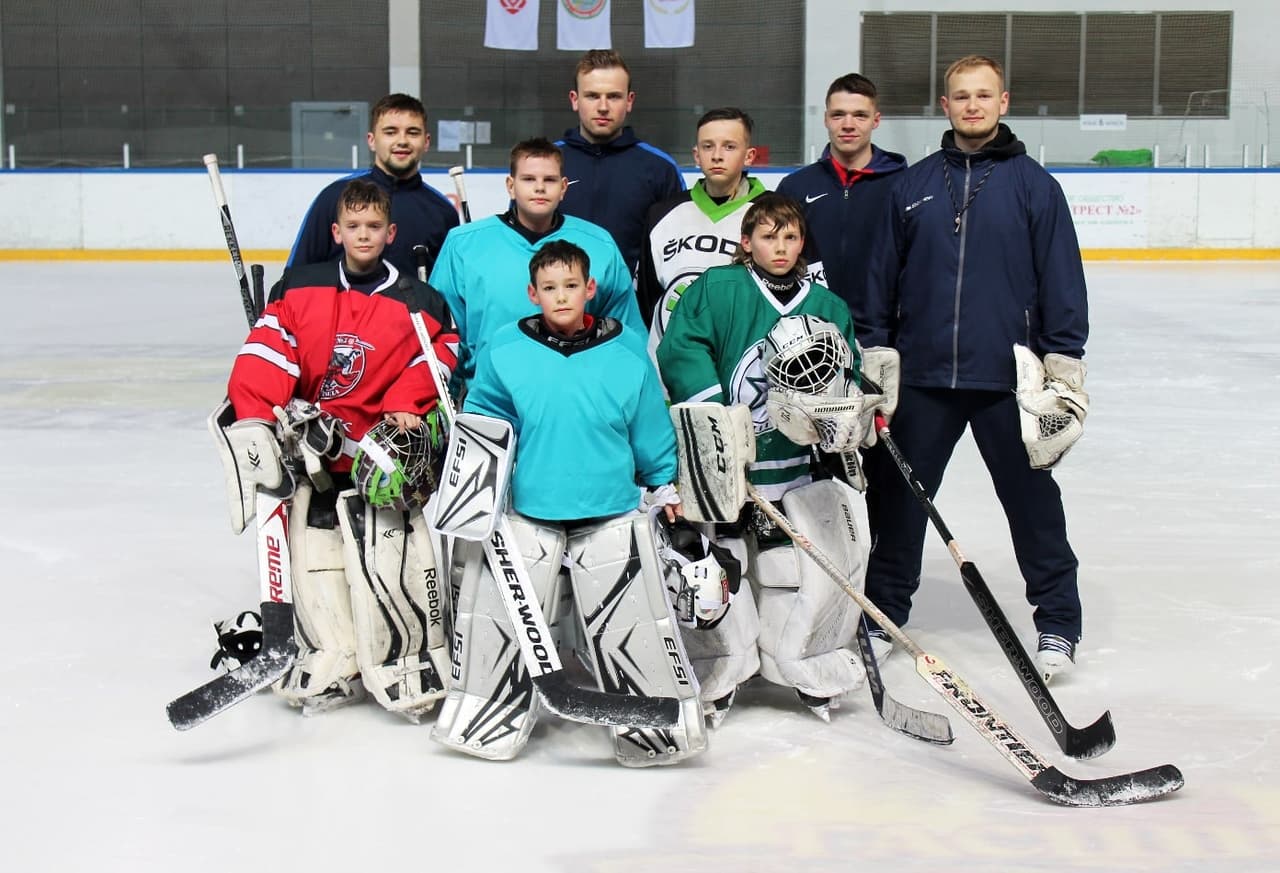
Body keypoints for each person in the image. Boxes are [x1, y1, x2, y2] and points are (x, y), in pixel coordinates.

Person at [431, 241, 706, 767]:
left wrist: (664, 483)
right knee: (497, 616)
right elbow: (487, 421)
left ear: (590, 289)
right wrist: (473, 483)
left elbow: (649, 424)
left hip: (609, 508)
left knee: (632, 623)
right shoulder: (506, 349)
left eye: (571, 286)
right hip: (532, 509)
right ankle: (487, 709)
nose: (562, 297)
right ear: (533, 294)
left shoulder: (625, 349)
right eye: (550, 288)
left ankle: (651, 722)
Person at [860, 55, 1090, 680]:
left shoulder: (1035, 187)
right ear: (946, 104)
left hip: (1007, 380)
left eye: (982, 95)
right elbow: (882, 277)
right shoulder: (914, 186)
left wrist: (1062, 363)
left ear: (1003, 101)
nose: (972, 105)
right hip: (927, 378)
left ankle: (1058, 625)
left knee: (1032, 502)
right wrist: (877, 348)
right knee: (902, 503)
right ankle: (885, 611)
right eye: (961, 96)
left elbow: (1062, 282)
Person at [217, 179, 459, 719]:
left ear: (390, 232)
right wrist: (258, 410)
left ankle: (409, 659)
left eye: (375, 227)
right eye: (354, 227)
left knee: (391, 560)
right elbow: (269, 347)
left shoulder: (420, 302)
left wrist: (406, 402)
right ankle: (334, 653)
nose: (364, 235)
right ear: (336, 231)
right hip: (318, 457)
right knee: (316, 559)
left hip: (384, 461)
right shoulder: (300, 288)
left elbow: (441, 358)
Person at [656, 193, 891, 724]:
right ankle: (720, 665)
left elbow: (845, 371)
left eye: (789, 237)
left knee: (790, 568)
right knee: (723, 566)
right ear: (747, 243)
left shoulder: (826, 306)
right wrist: (715, 414)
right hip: (723, 468)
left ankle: (801, 665)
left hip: (795, 468)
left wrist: (843, 413)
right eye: (767, 236)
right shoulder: (718, 290)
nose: (779, 247)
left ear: (802, 242)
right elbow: (680, 348)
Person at [429, 137, 645, 384]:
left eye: (550, 180)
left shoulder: (599, 244)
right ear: (510, 185)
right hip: (490, 397)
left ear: (564, 187)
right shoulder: (463, 245)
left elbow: (626, 334)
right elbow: (444, 335)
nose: (540, 188)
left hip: (579, 392)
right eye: (529, 179)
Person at [776, 73, 906, 324]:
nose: (848, 124)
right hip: (809, 329)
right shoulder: (794, 186)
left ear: (876, 120)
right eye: (838, 115)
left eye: (860, 115)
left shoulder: (904, 184)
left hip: (883, 332)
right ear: (826, 119)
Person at [639, 107, 767, 355]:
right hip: (672, 367)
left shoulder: (775, 214)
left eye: (729, 146)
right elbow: (646, 298)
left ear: (749, 155)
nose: (717, 156)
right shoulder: (662, 214)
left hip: (746, 369)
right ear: (696, 156)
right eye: (708, 147)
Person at [287, 93, 459, 278]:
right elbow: (296, 275)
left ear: (426, 142)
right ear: (371, 140)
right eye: (390, 132)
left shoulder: (442, 212)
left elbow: (448, 291)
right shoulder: (335, 197)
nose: (402, 141)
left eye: (412, 132)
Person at [556, 49, 685, 275]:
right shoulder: (546, 162)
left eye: (614, 96)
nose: (603, 106)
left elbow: (677, 249)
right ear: (575, 100)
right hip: (557, 302)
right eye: (592, 96)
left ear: (629, 101)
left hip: (629, 306)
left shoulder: (660, 168)